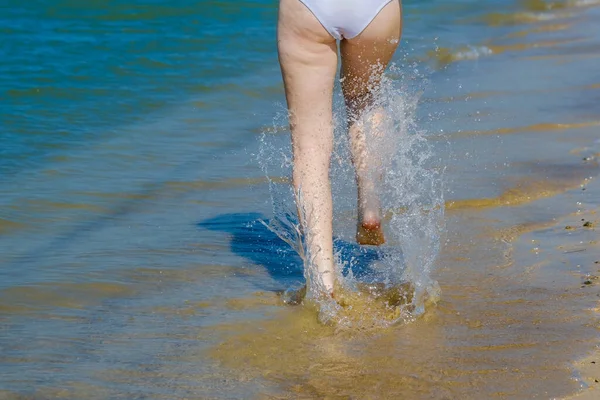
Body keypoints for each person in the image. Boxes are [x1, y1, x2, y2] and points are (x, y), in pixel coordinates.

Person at [277, 0, 402, 297]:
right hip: (376, 7)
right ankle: (369, 207)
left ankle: (324, 280)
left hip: (308, 8)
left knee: (309, 146)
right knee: (365, 100)